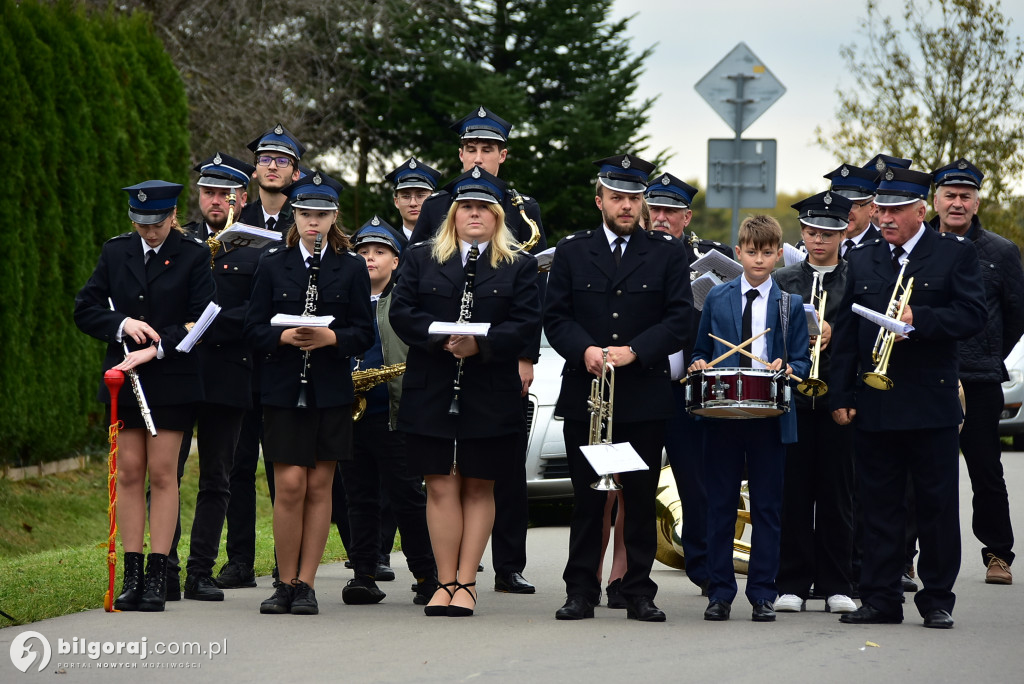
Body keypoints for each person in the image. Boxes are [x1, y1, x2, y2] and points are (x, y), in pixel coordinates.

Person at [831, 167, 986, 629]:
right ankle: (880, 599)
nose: (885, 217)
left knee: (936, 504)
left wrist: (920, 319)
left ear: (922, 209)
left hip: (930, 401)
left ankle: (937, 598)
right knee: (877, 504)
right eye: (880, 208)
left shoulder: (953, 255)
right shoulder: (862, 258)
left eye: (896, 209)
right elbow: (845, 334)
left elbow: (973, 315)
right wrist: (841, 392)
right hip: (875, 401)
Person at [546, 154, 693, 622]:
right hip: (589, 396)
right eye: (617, 198)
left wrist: (636, 351)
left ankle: (638, 591)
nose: (626, 206)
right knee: (589, 499)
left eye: (634, 198)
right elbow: (556, 317)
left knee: (638, 493)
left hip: (642, 395)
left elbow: (678, 319)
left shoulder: (668, 252)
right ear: (600, 201)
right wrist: (585, 350)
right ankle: (580, 590)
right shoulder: (572, 251)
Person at [390, 167, 540, 617]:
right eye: (466, 208)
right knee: (439, 483)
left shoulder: (519, 265)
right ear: (454, 215)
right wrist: (439, 337)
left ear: (497, 217)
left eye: (483, 209)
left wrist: (482, 344)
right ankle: (444, 580)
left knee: (478, 484)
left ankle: (468, 582)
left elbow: (526, 323)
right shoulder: (420, 258)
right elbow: (403, 312)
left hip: (489, 383)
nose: (474, 215)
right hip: (433, 382)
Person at [74, 180, 216, 612]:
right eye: (140, 223)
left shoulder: (193, 254)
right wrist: (122, 325)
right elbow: (87, 307)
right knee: (130, 474)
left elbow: (203, 318)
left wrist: (154, 348)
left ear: (172, 215)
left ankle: (159, 574)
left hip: (169, 377)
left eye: (155, 223)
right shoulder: (116, 251)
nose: (148, 232)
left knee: (162, 474)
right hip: (124, 379)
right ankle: (132, 575)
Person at [245, 170, 374, 615]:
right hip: (283, 388)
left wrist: (331, 339)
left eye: (321, 215)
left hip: (330, 388)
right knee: (290, 484)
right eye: (305, 214)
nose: (313, 223)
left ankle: (306, 584)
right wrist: (282, 338)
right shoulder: (270, 263)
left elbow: (363, 332)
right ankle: (282, 582)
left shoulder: (352, 266)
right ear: (293, 216)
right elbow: (253, 328)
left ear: (334, 216)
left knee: (320, 485)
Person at [689, 215, 810, 623]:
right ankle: (720, 591)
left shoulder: (789, 304)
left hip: (769, 419)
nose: (759, 259)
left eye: (767, 252)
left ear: (779, 255)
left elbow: (801, 360)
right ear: (737, 253)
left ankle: (763, 593)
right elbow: (698, 350)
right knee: (720, 506)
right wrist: (701, 362)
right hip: (722, 416)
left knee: (768, 509)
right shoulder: (717, 298)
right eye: (751, 251)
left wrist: (788, 366)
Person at [216, 123, 307, 591]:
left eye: (282, 161)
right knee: (237, 465)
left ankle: (283, 561)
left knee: (282, 465)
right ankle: (239, 560)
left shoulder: (308, 222)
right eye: (266, 159)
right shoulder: (234, 227)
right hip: (238, 362)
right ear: (254, 170)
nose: (272, 166)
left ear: (295, 172)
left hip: (286, 362)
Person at [165, 153, 257, 603]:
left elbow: (255, 315)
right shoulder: (179, 243)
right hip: (180, 372)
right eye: (208, 192)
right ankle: (165, 565)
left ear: (242, 197)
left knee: (217, 477)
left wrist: (201, 327)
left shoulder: (259, 248)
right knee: (167, 472)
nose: (215, 200)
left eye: (224, 194)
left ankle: (199, 571)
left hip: (227, 373)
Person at [929, 158, 1024, 585]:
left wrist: (986, 353)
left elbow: (1016, 315)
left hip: (980, 377)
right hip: (927, 375)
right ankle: (909, 556)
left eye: (965, 196)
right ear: (935, 201)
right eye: (949, 195)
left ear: (977, 201)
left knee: (986, 470)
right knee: (923, 469)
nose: (957, 203)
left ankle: (998, 555)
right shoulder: (919, 246)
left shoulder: (1002, 253)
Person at [338, 217, 438, 606]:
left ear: (396, 261)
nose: (369, 259)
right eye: (362, 252)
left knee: (407, 496)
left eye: (379, 252)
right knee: (358, 497)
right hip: (351, 414)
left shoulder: (406, 302)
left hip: (396, 413)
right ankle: (364, 573)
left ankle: (427, 574)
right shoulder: (345, 300)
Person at [645, 171, 731, 595]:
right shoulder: (632, 258)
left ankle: (704, 568)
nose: (661, 218)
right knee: (633, 483)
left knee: (697, 485)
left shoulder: (712, 259)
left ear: (686, 216)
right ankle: (631, 573)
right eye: (655, 209)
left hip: (688, 391)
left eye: (670, 211)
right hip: (641, 386)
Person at [772, 191, 857, 614]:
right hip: (793, 399)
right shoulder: (784, 281)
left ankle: (837, 582)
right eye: (810, 232)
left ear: (844, 233)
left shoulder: (856, 278)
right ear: (802, 233)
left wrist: (833, 333)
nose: (818, 240)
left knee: (837, 494)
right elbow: (769, 334)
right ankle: (791, 581)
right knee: (794, 493)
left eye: (827, 233)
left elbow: (864, 342)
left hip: (837, 401)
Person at [384, 157, 442, 246]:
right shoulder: (387, 246)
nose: (413, 203)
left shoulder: (446, 243)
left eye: (420, 196)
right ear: (396, 201)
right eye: (406, 196)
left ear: (432, 199)